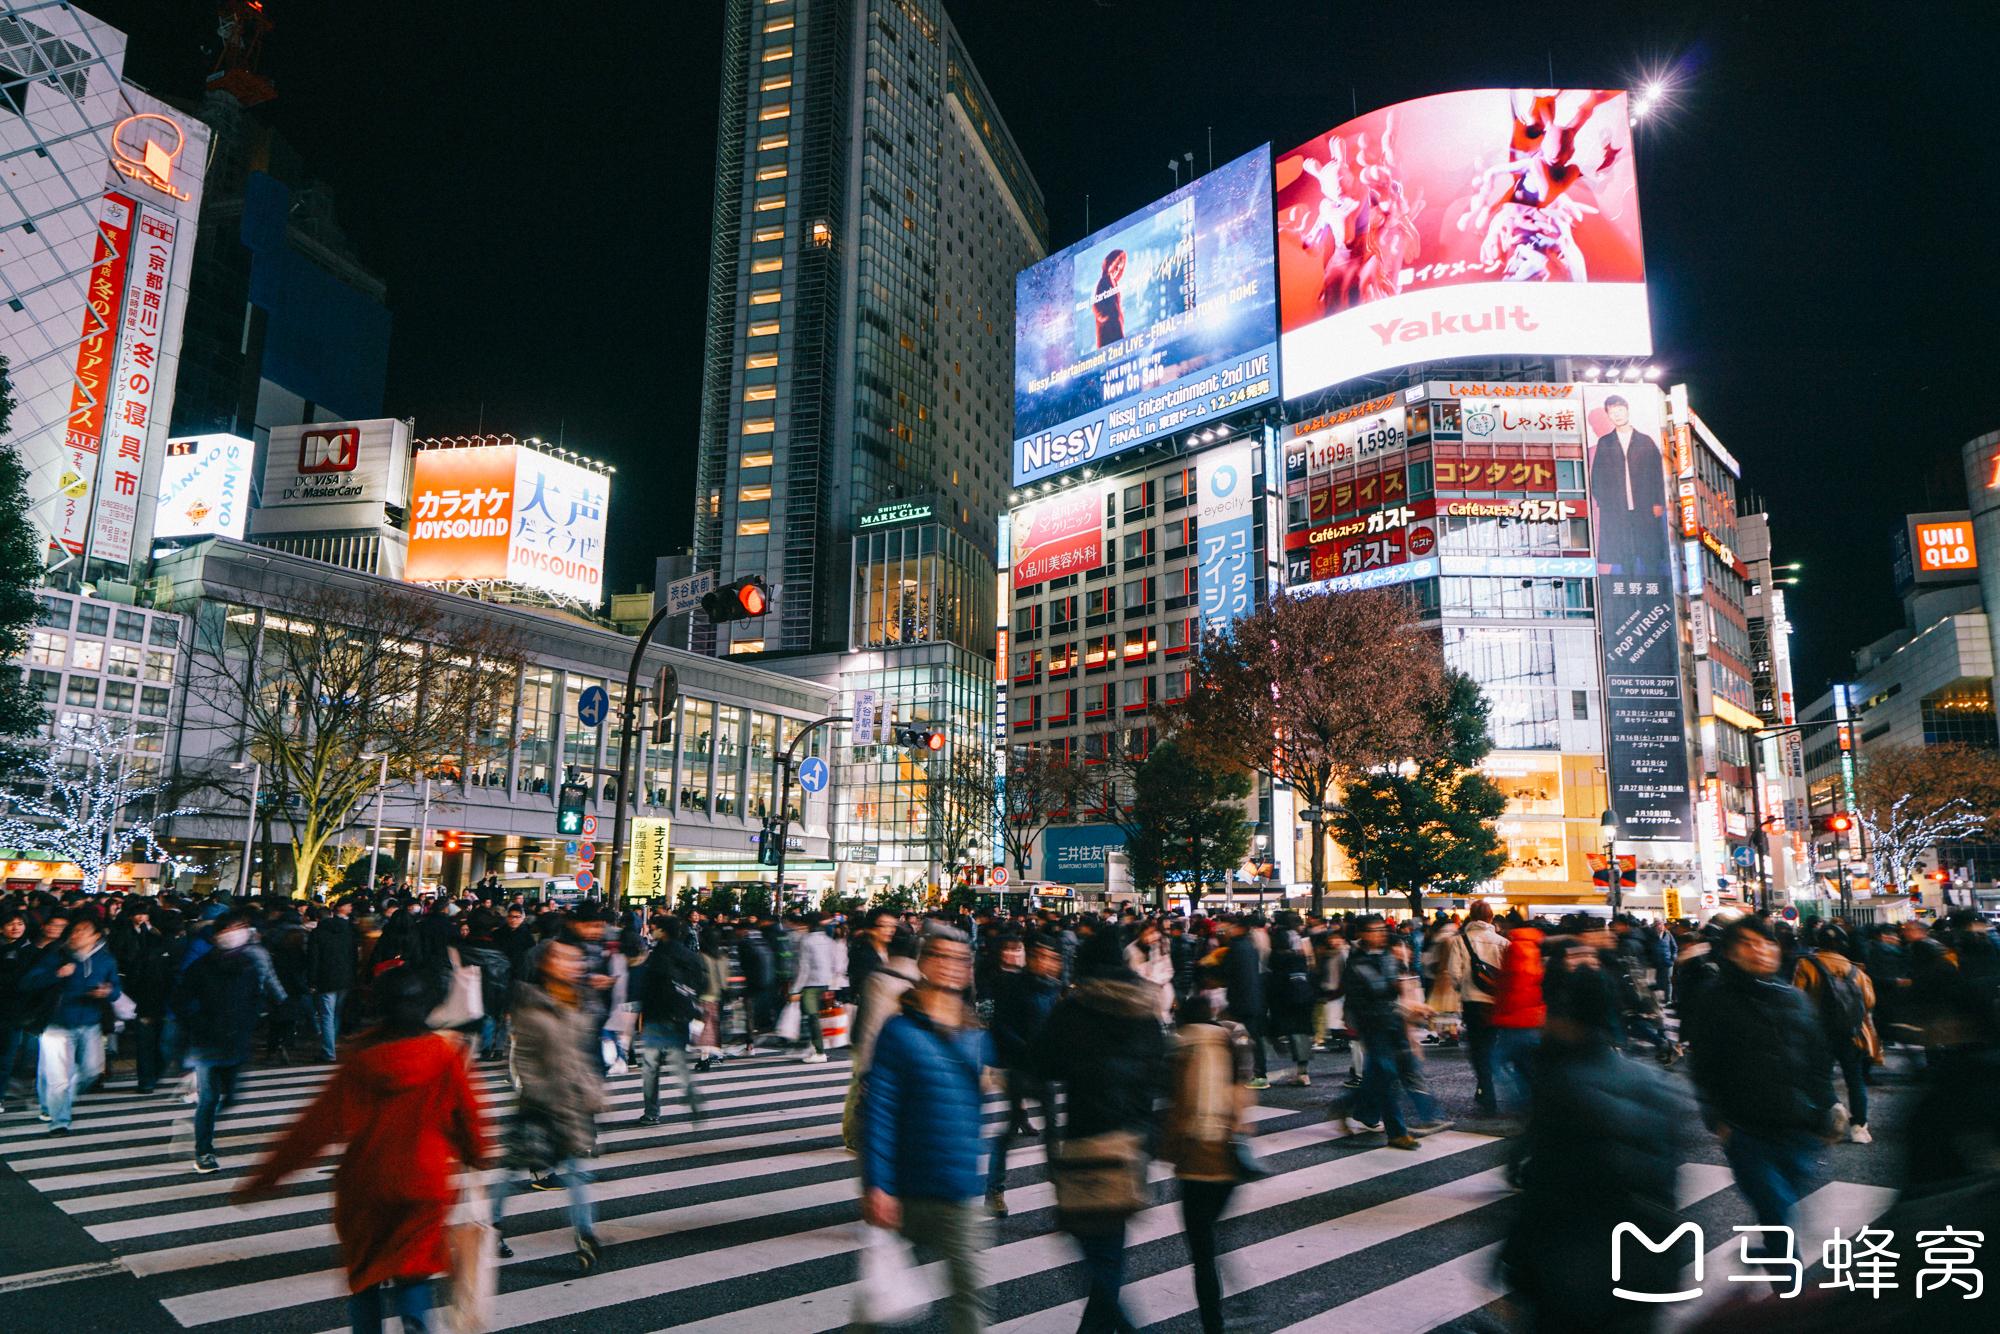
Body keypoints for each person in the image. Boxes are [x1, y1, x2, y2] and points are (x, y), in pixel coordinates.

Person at [235, 965, 488, 1334]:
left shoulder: (359, 1059)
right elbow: (470, 1119)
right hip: (425, 1181)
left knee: (365, 1275)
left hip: (366, 1182)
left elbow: (312, 1129)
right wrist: (476, 1154)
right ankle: (418, 1327)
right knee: (413, 1270)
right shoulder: (446, 1056)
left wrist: (264, 1179)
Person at [1500, 927, 1695, 1334]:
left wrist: (1515, 1265)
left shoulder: (1563, 1088)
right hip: (1647, 1261)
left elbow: (1548, 1195)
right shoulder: (1655, 1083)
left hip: (1574, 1272)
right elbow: (1669, 1174)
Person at [1029, 930, 1172, 1334]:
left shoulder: (1073, 1010)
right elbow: (1160, 1075)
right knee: (1109, 1255)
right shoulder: (1146, 1012)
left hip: (1085, 1142)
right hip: (1132, 1145)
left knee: (1097, 1258)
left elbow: (1039, 1064)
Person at [856, 929, 993, 1334]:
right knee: (880, 1300)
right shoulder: (899, 1031)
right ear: (924, 963)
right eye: (942, 957)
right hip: (905, 1185)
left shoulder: (976, 1034)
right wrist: (877, 1185)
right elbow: (878, 1110)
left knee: (970, 1297)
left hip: (958, 1186)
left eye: (961, 960)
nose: (952, 967)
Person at [1690, 916, 1840, 1246]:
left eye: (1766, 942)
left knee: (1784, 1210)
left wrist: (1830, 1105)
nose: (1760, 950)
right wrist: (1718, 1120)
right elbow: (1702, 1065)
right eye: (1748, 943)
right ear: (1730, 953)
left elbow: (1816, 1059)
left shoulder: (1794, 997)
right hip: (1748, 1131)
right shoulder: (1714, 1000)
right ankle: (1788, 1289)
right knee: (1775, 1215)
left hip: (1800, 1128)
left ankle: (1774, 1261)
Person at [491, 938, 605, 1269]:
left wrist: (592, 1090)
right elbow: (521, 1058)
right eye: (563, 959)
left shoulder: (581, 1001)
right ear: (545, 964)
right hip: (537, 1108)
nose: (572, 965)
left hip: (571, 1106)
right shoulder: (530, 1002)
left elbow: (579, 1055)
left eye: (575, 960)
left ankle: (586, 1236)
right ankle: (492, 1226)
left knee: (578, 1172)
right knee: (511, 1171)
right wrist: (540, 1093)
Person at [1161, 990, 1256, 1334]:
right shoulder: (1232, 1040)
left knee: (1202, 1253)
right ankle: (1237, 1304)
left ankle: (1213, 1326)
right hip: (1230, 1158)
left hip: (1196, 1162)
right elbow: (1243, 1093)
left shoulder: (1180, 1049)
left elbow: (1177, 1111)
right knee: (1212, 1238)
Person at [175, 910, 287, 1170]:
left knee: (231, 1097)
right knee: (210, 1098)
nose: (238, 933)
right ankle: (204, 1152)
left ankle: (202, 1126)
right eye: (231, 928)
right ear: (217, 935)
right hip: (207, 1043)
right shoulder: (201, 966)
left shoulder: (247, 965)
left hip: (236, 1042)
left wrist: (251, 1023)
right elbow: (181, 1003)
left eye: (242, 926)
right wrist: (199, 1026)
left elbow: (254, 997)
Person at [1328, 916, 1428, 1148]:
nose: (1381, 934)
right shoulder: (1351, 959)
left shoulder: (1387, 954)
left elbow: (1393, 985)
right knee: (1388, 1074)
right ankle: (1396, 1132)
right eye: (1375, 930)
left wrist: (1406, 999)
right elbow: (1352, 995)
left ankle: (1358, 1110)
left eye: (1383, 929)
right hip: (1371, 1024)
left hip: (1393, 1018)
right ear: (1361, 933)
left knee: (1382, 1074)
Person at [19, 915, 120, 1134]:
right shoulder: (56, 956)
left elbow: (117, 990)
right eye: (74, 931)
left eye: (82, 930)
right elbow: (27, 983)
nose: (75, 934)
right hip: (57, 1024)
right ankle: (59, 1120)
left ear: (95, 936)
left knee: (93, 1070)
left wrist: (107, 991)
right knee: (58, 1078)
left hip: (91, 1024)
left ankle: (53, 1099)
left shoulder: (106, 960)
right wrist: (57, 973)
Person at [986, 936, 1063, 1218]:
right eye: (1042, 956)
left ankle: (1062, 1194)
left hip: (1043, 1070)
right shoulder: (1013, 986)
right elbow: (1000, 1027)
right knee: (1009, 1131)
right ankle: (995, 1191)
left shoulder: (1053, 988)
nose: (1049, 963)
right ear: (1030, 959)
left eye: (1053, 958)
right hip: (1018, 1068)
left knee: (1053, 1133)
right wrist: (1025, 1047)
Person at [1794, 920, 1877, 1144]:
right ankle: (1859, 1126)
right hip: (1850, 1031)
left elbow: (1797, 996)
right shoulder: (1856, 970)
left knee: (1820, 1077)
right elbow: (1869, 1001)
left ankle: (1835, 1106)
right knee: (1855, 1079)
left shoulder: (1807, 964)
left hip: (1818, 1031)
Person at [636, 916, 707, 1125]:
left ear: (663, 932)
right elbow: (699, 985)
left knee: (651, 1067)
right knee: (678, 1063)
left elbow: (650, 988)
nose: (653, 931)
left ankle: (651, 1113)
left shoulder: (658, 954)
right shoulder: (690, 955)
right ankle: (691, 1094)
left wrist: (643, 1016)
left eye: (656, 928)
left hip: (658, 1016)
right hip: (681, 1015)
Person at [1449, 901, 1507, 1114]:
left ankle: (1485, 1088)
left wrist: (1463, 988)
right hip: (1495, 1002)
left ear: (1471, 918)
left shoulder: (1460, 941)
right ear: (1492, 918)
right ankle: (1486, 1087)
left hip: (1472, 1001)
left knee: (1476, 1046)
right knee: (1490, 1044)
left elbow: (1454, 974)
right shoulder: (1503, 942)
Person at [306, 900, 361, 1064]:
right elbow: (353, 955)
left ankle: (328, 1051)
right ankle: (332, 1044)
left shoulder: (317, 934)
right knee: (336, 1013)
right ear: (330, 915)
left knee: (326, 1015)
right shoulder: (347, 931)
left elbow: (313, 959)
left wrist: (312, 981)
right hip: (345, 977)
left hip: (326, 978)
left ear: (317, 920)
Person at [1217, 916, 1268, 1089]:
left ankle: (1251, 1074)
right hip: (1252, 998)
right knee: (1253, 1037)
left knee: (1232, 1035)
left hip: (1241, 999)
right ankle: (1258, 1074)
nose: (1228, 929)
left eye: (1232, 926)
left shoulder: (1237, 948)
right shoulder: (1249, 946)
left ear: (1240, 928)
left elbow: (1227, 973)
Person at [792, 912, 845, 1063]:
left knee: (812, 1017)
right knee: (820, 1017)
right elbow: (835, 964)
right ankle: (817, 1046)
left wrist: (795, 989)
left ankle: (819, 1050)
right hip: (826, 982)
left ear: (808, 925)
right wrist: (832, 985)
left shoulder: (806, 940)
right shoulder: (829, 941)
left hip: (810, 984)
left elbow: (804, 967)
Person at [0, 911, 39, 1112]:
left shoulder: (29, 950)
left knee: (6, 1057)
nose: (15, 927)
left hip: (14, 1012)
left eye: (19, 923)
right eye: (10, 923)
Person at [1092, 249, 1128, 347]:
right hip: (1108, 331)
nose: (1118, 269)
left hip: (1115, 328)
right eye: (1116, 266)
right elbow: (1097, 306)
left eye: (1120, 267)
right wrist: (1109, 314)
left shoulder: (1114, 284)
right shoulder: (1105, 281)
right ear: (1110, 265)